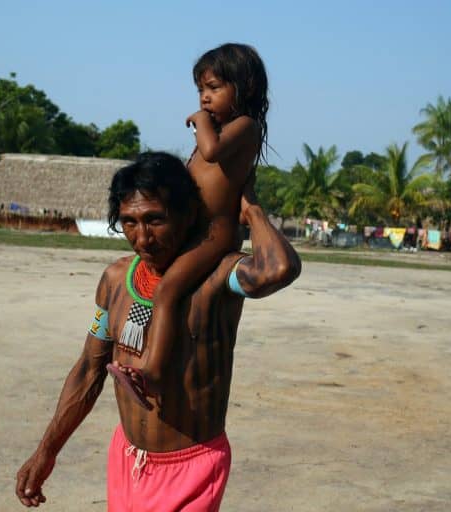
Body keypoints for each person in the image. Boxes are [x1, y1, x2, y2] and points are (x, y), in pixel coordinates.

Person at [15, 152, 301, 510]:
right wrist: (46, 452)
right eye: (129, 222)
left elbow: (278, 268)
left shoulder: (216, 278)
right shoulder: (116, 280)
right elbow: (89, 370)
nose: (142, 237)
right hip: (128, 460)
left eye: (155, 220)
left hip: (192, 468)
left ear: (187, 214)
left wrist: (251, 210)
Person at [113, 43, 271, 406]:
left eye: (214, 88)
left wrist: (201, 125)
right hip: (195, 231)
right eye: (201, 90)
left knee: (168, 291)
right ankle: (139, 343)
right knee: (152, 284)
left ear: (243, 87)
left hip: (214, 235)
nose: (204, 98)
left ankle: (152, 370)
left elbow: (212, 151)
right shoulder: (217, 132)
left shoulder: (245, 126)